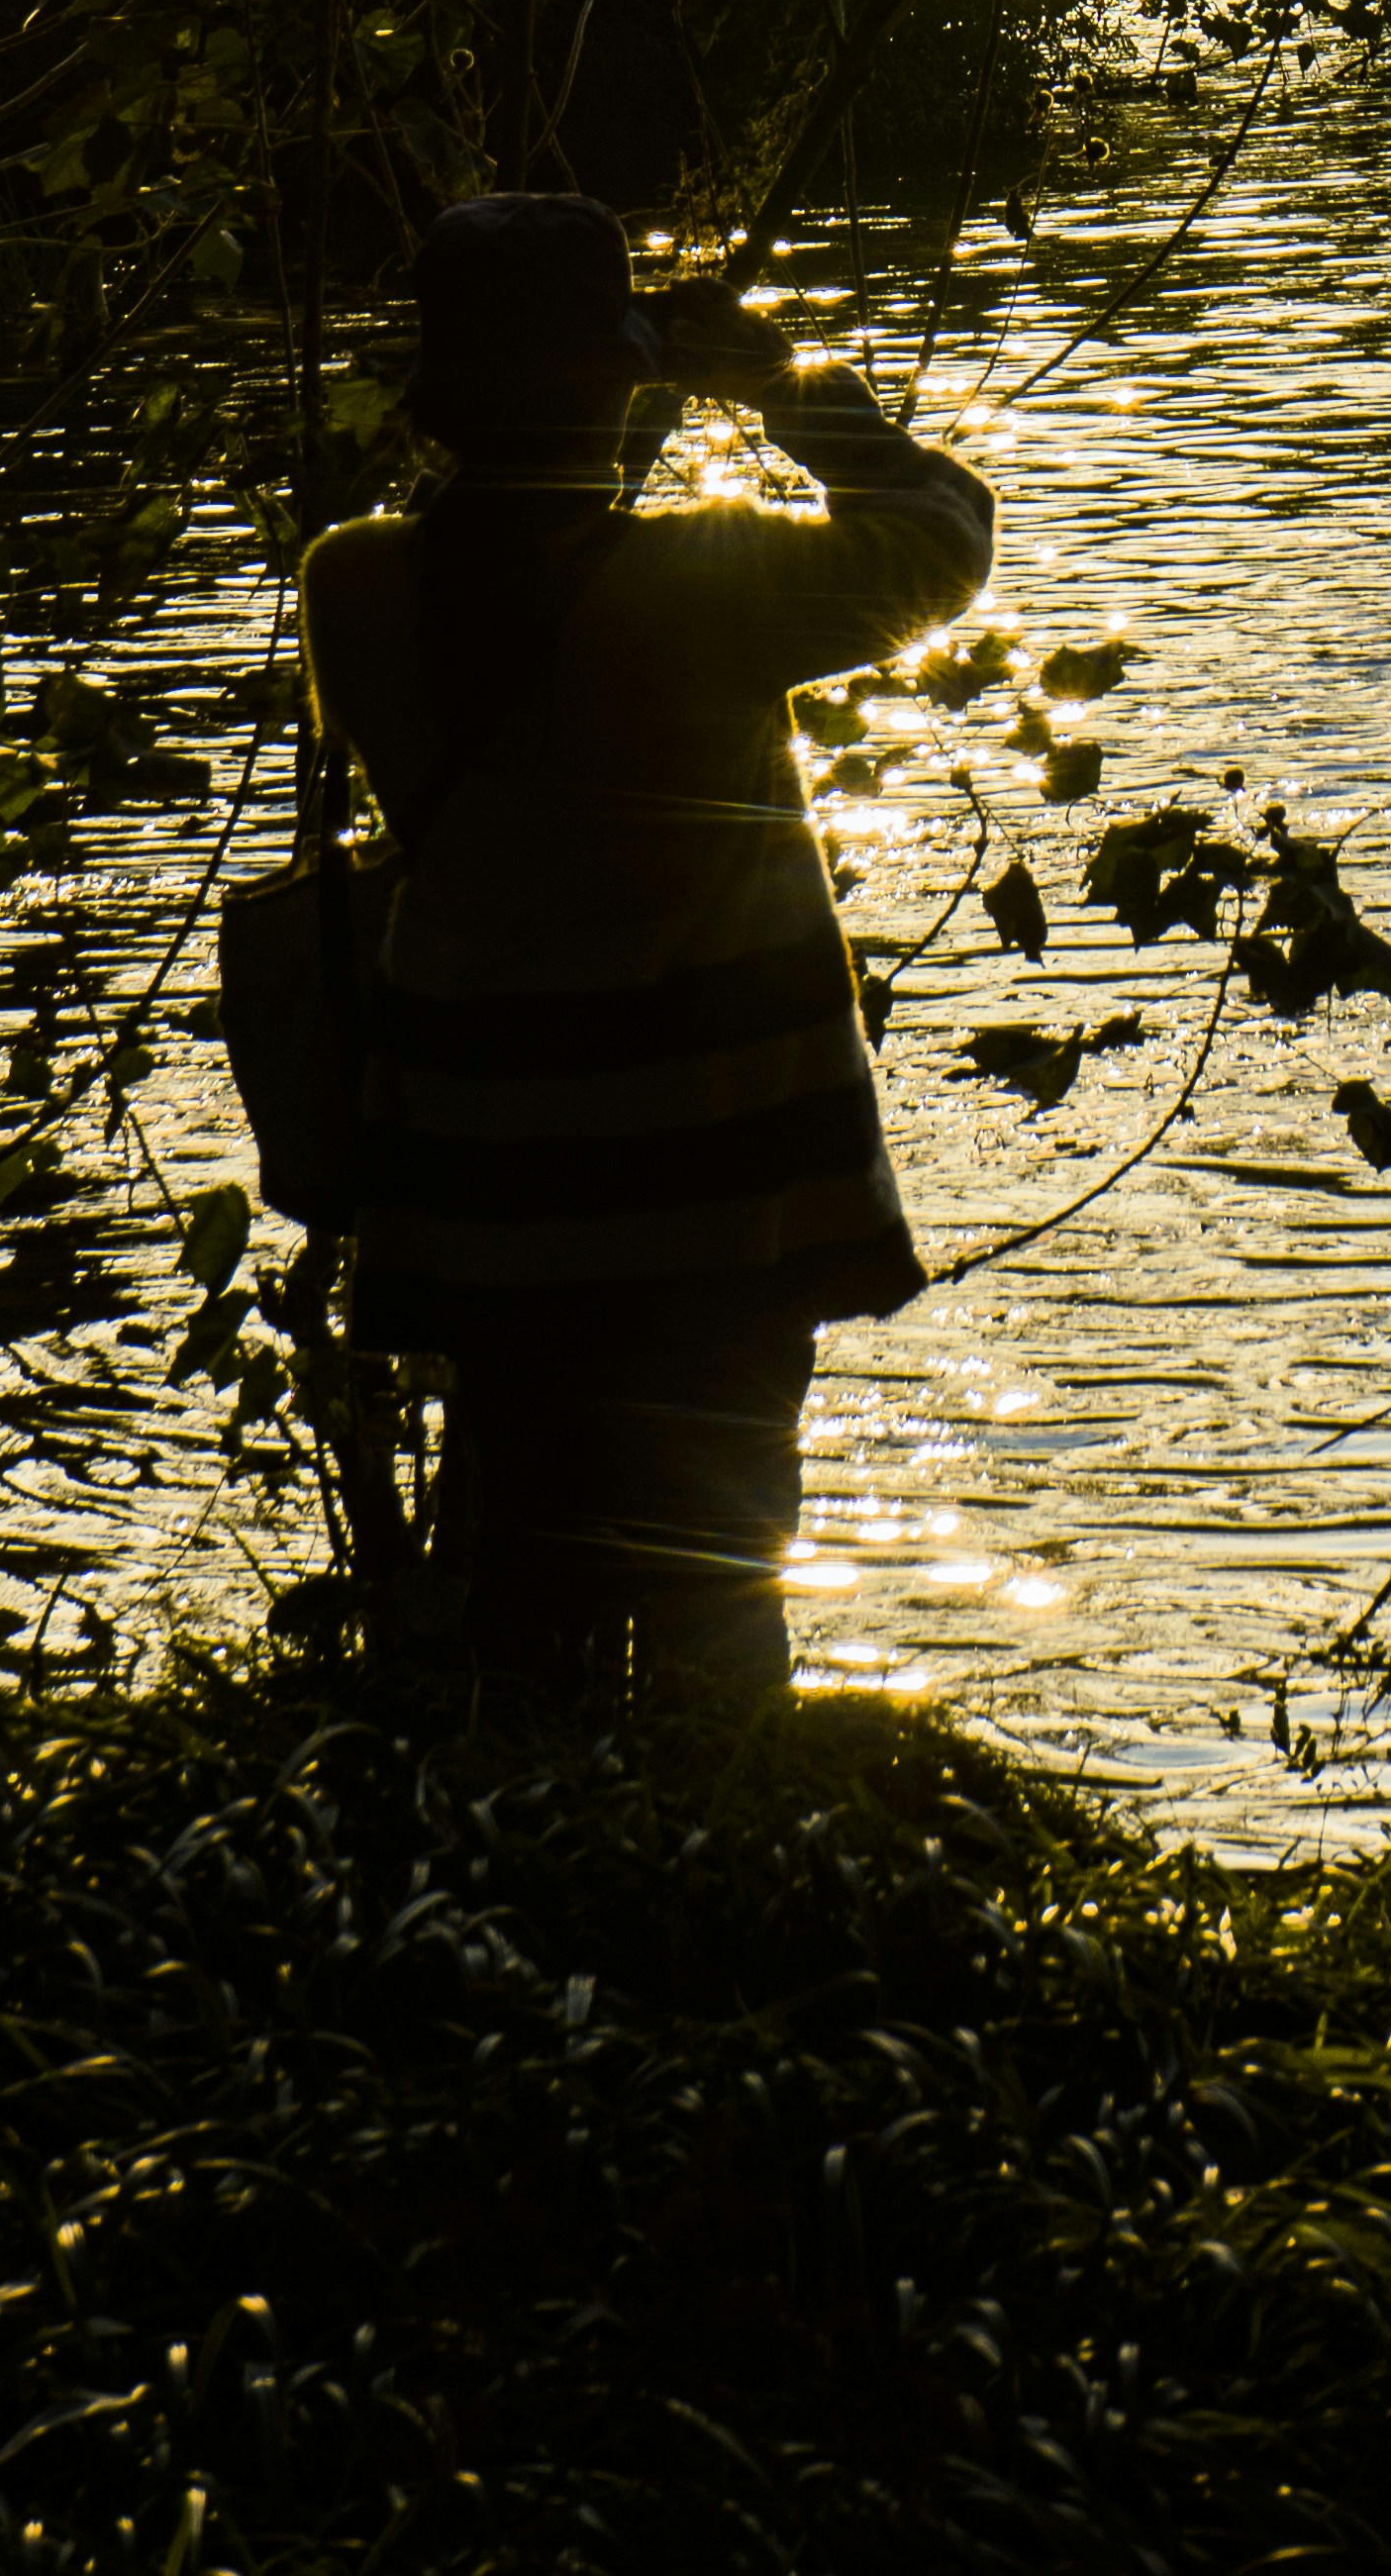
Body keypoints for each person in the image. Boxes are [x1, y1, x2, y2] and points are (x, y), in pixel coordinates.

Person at [297, 191, 995, 1705]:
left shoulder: (353, 585)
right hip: (717, 1191)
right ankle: (715, 1861)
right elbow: (942, 542)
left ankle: (528, 1852)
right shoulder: (700, 584)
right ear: (617, 384)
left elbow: (514, 571)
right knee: (720, 1584)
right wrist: (787, 389)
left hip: (484, 1183)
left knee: (528, 1557)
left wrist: (627, 407)